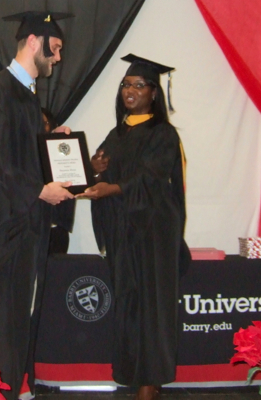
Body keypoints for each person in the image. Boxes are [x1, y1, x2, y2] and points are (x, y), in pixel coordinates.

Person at [0, 11, 74, 400]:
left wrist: (51, 144)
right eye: (56, 48)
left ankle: (15, 387)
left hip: (26, 231)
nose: (58, 58)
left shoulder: (27, 99)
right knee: (0, 325)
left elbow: (20, 160)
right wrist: (38, 190)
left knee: (19, 321)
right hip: (1, 237)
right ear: (34, 42)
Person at [78, 54, 191, 400]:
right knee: (129, 302)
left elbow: (151, 179)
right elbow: (108, 175)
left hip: (154, 234)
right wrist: (96, 170)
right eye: (126, 85)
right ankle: (132, 372)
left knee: (153, 307)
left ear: (154, 93)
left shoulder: (163, 134)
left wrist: (111, 187)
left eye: (138, 85)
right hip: (125, 234)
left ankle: (150, 381)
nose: (130, 90)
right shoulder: (117, 133)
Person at [42, 108, 76, 254]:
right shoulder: (19, 151)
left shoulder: (59, 150)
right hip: (27, 231)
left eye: (44, 122)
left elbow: (74, 181)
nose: (38, 126)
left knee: (57, 275)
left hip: (57, 231)